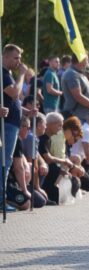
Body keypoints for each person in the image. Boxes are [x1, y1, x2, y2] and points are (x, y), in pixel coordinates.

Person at [0, 44, 28, 210]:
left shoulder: (8, 74)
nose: (19, 61)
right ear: (6, 57)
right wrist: (23, 75)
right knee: (5, 161)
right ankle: (1, 198)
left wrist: (26, 111)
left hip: (13, 123)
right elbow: (15, 92)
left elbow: (13, 100)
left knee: (7, 160)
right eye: (16, 57)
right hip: (7, 123)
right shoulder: (3, 74)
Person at [39, 112, 75, 204]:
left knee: (69, 178)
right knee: (55, 170)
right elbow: (48, 158)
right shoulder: (43, 138)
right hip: (40, 168)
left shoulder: (48, 138)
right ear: (51, 124)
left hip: (46, 167)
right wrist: (64, 161)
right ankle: (46, 194)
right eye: (59, 125)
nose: (60, 129)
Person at [61, 53, 89, 121]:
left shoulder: (80, 73)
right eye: (86, 60)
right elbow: (78, 96)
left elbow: (87, 93)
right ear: (81, 60)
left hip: (83, 116)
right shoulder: (71, 74)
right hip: (76, 116)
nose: (87, 63)